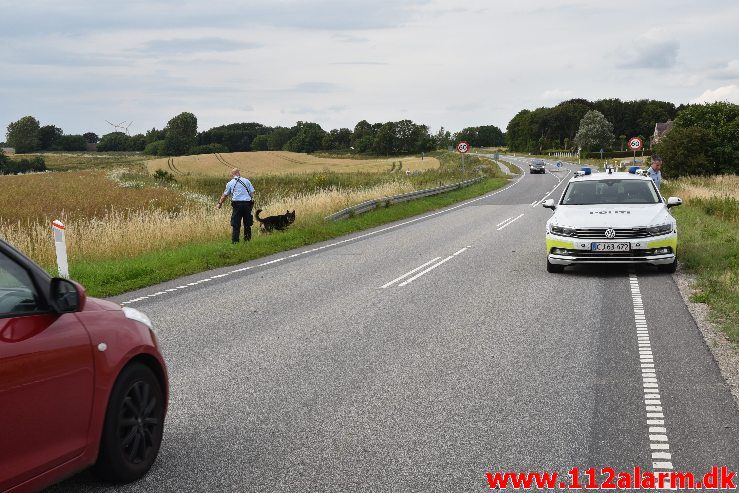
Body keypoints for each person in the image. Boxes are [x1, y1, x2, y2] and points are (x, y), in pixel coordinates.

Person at [217, 168, 256, 243]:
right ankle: (247, 241)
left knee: (236, 224)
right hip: (247, 204)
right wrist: (250, 199)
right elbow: (252, 193)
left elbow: (224, 195)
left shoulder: (230, 183)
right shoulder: (247, 181)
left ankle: (235, 242)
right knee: (247, 223)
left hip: (237, 205)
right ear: (239, 173)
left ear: (232, 174)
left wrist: (220, 204)